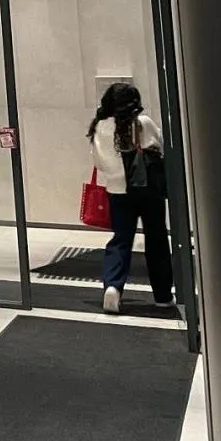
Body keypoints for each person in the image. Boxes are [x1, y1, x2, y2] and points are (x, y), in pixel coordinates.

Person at [87, 81, 174, 313]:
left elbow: (98, 162)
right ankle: (163, 296)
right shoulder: (143, 123)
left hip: (117, 191)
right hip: (148, 190)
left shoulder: (100, 126)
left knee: (121, 239)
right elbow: (161, 148)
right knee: (156, 239)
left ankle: (113, 287)